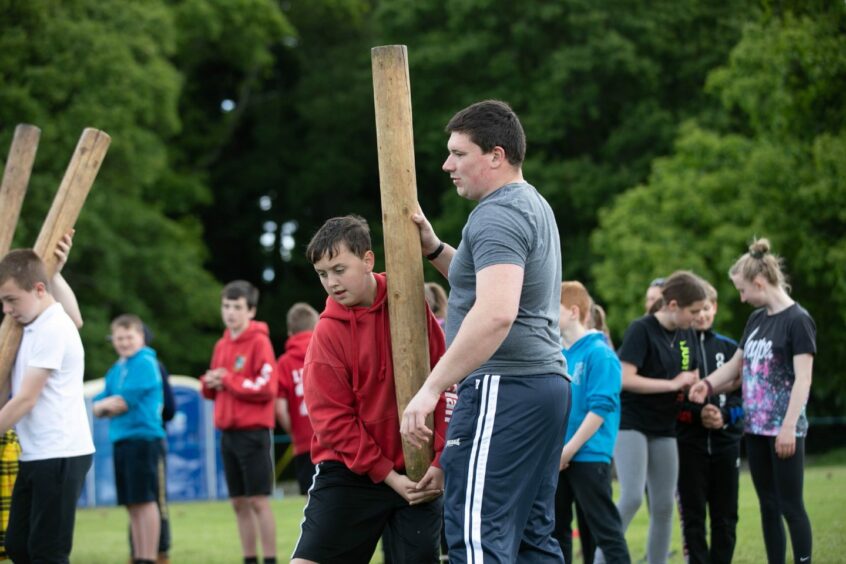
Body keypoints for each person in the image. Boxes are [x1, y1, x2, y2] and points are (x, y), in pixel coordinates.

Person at [401, 100, 570, 562]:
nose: (446, 165)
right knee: (533, 540)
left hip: (506, 386)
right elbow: (482, 284)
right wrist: (434, 248)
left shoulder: (497, 213)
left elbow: (496, 311)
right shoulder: (530, 203)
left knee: (477, 538)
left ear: (495, 155)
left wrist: (431, 388)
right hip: (543, 386)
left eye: (458, 153)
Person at [291, 215, 448, 564]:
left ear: (368, 260)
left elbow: (445, 381)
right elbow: (332, 423)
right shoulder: (327, 335)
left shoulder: (408, 303)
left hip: (420, 472)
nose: (331, 282)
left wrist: (441, 460)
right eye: (322, 274)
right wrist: (387, 475)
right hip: (352, 470)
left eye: (339, 269)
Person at [689, 239, 814, 564]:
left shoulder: (798, 320)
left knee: (791, 505)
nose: (741, 298)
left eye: (743, 290)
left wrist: (788, 427)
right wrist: (707, 383)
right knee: (768, 505)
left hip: (784, 431)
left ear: (759, 283)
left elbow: (804, 378)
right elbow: (736, 366)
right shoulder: (757, 320)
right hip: (755, 428)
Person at [0, 232, 95, 562]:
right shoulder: (33, 323)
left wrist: (51, 272)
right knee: (18, 546)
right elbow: (79, 319)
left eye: (11, 300)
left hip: (60, 453)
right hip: (37, 453)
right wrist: (54, 270)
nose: (6, 309)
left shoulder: (53, 327)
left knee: (47, 553)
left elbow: (25, 399)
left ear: (38, 290)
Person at [606, 271, 705, 564]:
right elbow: (624, 378)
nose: (698, 317)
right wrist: (673, 384)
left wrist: (699, 390)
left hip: (665, 426)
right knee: (633, 496)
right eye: (694, 311)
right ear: (673, 305)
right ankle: (602, 558)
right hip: (632, 422)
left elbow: (692, 374)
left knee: (663, 506)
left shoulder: (687, 333)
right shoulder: (641, 329)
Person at [200, 280, 277, 564]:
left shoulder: (260, 342)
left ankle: (270, 558)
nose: (230, 312)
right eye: (226, 306)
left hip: (253, 433)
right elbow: (213, 388)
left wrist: (228, 380)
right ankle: (249, 559)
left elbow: (267, 386)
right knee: (238, 502)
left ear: (251, 311)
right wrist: (209, 382)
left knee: (258, 500)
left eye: (237, 307)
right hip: (227, 433)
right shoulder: (222, 344)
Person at [554, 282, 629, 564]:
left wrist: (569, 449)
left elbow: (600, 409)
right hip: (559, 457)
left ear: (574, 312)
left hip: (588, 455)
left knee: (603, 531)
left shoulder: (600, 353)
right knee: (555, 530)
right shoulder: (559, 354)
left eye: (554, 309)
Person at [675, 282, 743, 564]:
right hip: (689, 445)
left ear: (714, 308)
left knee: (726, 516)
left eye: (707, 308)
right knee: (693, 516)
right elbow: (671, 400)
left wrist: (725, 417)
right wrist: (696, 414)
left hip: (726, 445)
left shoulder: (730, 348)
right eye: (697, 309)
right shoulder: (678, 348)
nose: (702, 315)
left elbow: (746, 400)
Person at [93, 314, 165, 564]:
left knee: (146, 500)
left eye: (129, 337)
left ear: (141, 337)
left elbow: (122, 403)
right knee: (132, 503)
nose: (124, 342)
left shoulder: (144, 363)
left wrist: (105, 406)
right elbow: (97, 403)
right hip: (121, 440)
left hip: (143, 439)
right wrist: (103, 405)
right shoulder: (117, 368)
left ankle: (148, 556)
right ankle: (139, 556)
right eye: (119, 338)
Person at [274, 302, 319, 495]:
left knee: (311, 501)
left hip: (304, 444)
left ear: (290, 332)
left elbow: (280, 409)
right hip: (335, 439)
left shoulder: (284, 362)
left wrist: (295, 433)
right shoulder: (325, 349)